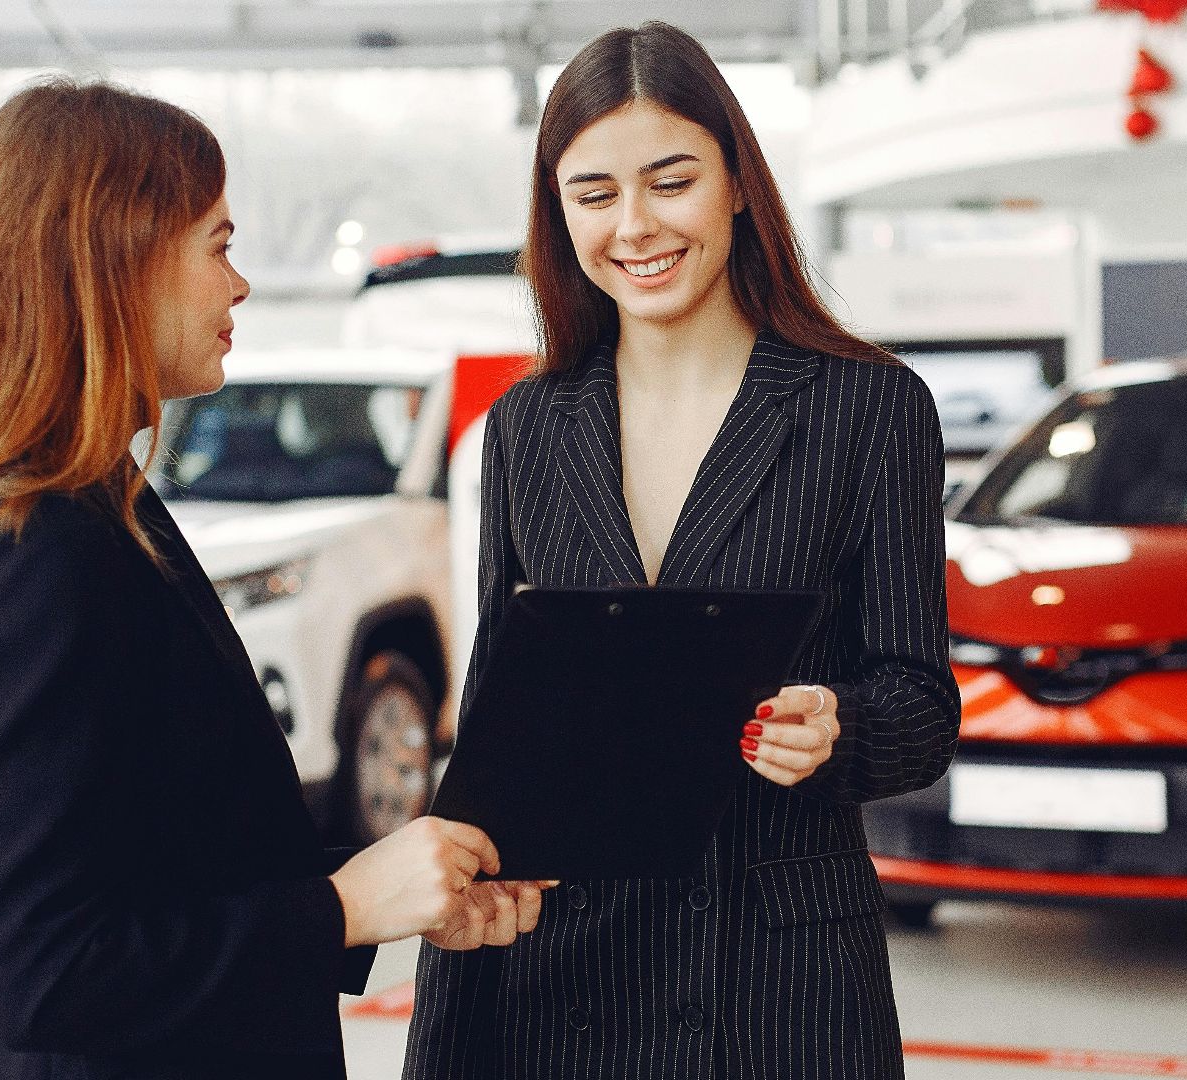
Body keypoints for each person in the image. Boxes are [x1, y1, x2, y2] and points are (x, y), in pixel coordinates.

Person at [0, 79, 543, 1080]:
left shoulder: (104, 510)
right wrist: (347, 907)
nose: (241, 286)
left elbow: (167, 864)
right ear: (112, 262)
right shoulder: (35, 549)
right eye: (217, 244)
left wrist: (381, 887)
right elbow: (43, 968)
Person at [405, 21, 962, 1080]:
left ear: (739, 185)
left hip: (781, 987)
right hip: (567, 977)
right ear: (557, 209)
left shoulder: (869, 407)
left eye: (671, 181)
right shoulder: (529, 426)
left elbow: (922, 703)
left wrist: (840, 727)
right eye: (594, 193)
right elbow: (501, 725)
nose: (635, 226)